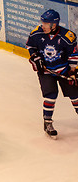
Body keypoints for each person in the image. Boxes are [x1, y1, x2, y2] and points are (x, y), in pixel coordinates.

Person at [26, 9, 78, 139]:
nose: (42, 25)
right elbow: (30, 46)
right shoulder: (36, 33)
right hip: (46, 71)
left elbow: (73, 55)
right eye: (42, 22)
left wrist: (73, 71)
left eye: (45, 23)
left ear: (54, 25)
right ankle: (48, 122)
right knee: (50, 96)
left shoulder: (67, 37)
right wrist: (35, 56)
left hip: (63, 70)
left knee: (75, 95)